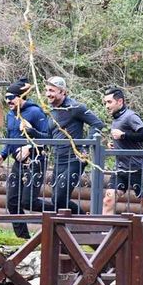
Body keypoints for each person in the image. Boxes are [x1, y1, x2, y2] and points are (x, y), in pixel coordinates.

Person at [41, 76, 104, 214]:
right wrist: (31, 132)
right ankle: (76, 223)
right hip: (58, 160)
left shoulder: (75, 107)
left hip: (74, 159)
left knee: (59, 199)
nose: (47, 94)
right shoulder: (51, 111)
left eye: (51, 90)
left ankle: (85, 221)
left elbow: (97, 124)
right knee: (57, 201)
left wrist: (85, 146)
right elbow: (48, 137)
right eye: (46, 90)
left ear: (63, 92)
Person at [0, 79, 50, 238]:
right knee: (12, 202)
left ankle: (62, 211)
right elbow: (10, 137)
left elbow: (48, 138)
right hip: (18, 162)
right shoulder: (10, 114)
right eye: (6, 98)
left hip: (36, 161)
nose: (8, 101)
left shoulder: (36, 112)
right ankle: (23, 238)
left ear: (21, 97)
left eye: (11, 97)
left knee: (28, 202)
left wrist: (30, 147)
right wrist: (3, 154)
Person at [101, 87, 143, 215]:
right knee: (108, 200)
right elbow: (125, 140)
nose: (106, 106)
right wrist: (115, 144)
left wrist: (123, 135)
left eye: (109, 102)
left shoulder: (130, 116)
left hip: (137, 169)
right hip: (120, 169)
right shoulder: (116, 118)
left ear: (120, 102)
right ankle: (105, 228)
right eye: (105, 102)